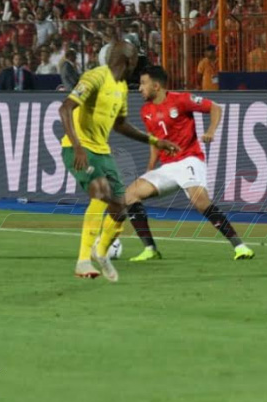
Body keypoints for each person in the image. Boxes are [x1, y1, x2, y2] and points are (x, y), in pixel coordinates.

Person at [59, 42, 179, 282]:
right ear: (128, 60)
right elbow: (65, 109)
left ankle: (101, 252)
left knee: (120, 206)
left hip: (102, 152)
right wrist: (78, 146)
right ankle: (83, 260)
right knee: (100, 190)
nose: (137, 65)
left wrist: (154, 141)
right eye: (136, 60)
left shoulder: (121, 87)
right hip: (78, 148)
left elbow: (120, 125)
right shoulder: (95, 77)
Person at [126, 66, 255, 262]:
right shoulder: (146, 111)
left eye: (143, 83)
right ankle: (150, 249)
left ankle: (240, 247)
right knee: (130, 195)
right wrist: (150, 168)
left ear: (156, 86)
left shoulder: (181, 100)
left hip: (189, 159)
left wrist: (211, 131)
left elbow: (215, 107)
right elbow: (155, 141)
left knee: (200, 202)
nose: (140, 88)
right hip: (168, 167)